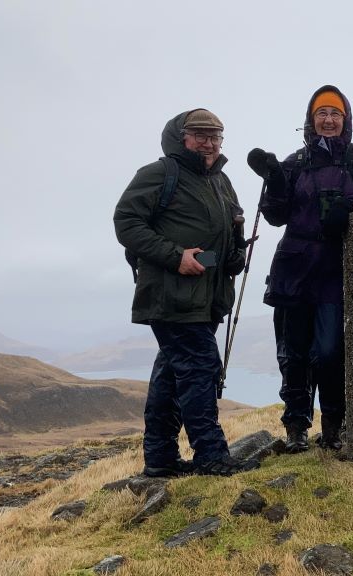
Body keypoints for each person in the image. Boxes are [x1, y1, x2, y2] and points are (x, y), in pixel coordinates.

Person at [114, 108, 259, 477]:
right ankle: (211, 456)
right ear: (182, 139)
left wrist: (234, 255)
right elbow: (126, 222)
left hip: (206, 298)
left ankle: (160, 459)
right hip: (172, 296)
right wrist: (175, 256)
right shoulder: (159, 174)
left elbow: (222, 235)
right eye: (200, 135)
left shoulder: (220, 181)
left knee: (171, 375)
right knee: (201, 369)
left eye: (215, 137)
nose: (209, 143)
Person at [246, 85, 353, 452]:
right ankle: (296, 428)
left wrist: (348, 207)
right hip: (294, 269)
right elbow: (275, 215)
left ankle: (333, 426)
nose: (329, 120)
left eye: (335, 113)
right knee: (294, 353)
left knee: (330, 351)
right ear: (311, 119)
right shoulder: (296, 161)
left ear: (345, 119)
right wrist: (274, 178)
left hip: (336, 269)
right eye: (322, 113)